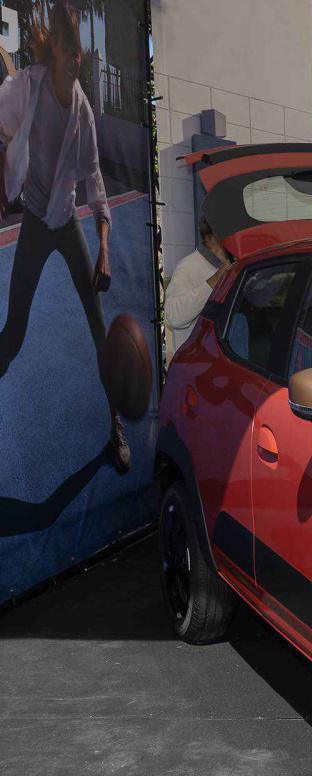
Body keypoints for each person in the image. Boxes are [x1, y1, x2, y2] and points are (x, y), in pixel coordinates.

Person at [0, 2, 126, 470]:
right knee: (14, 332)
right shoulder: (24, 88)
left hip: (68, 222)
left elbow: (95, 184)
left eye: (80, 52)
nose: (76, 59)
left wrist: (105, 250)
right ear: (54, 47)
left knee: (100, 332)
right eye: (69, 48)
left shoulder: (84, 112)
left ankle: (116, 427)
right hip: (35, 220)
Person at [164, 216, 232, 363]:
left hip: (226, 366)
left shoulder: (235, 265)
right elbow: (173, 317)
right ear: (211, 237)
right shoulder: (188, 267)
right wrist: (214, 281)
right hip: (196, 370)